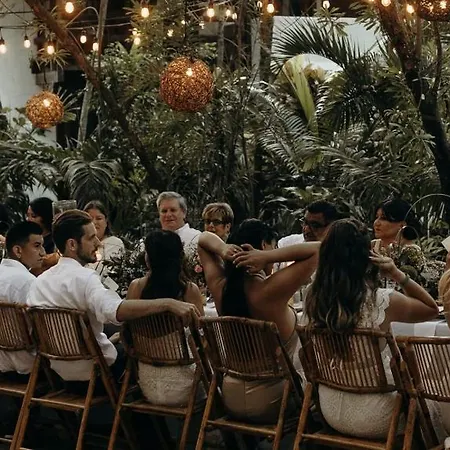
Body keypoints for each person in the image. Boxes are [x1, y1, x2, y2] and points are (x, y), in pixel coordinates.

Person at [27, 210, 200, 388]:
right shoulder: (85, 278)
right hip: (97, 376)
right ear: (72, 244)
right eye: (91, 238)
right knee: (136, 348)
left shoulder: (39, 283)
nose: (98, 243)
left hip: (57, 376)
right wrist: (168, 303)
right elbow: (115, 310)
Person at [302, 218, 438, 439]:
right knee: (430, 388)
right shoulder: (382, 300)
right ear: (367, 257)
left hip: (330, 409)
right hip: (378, 417)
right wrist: (396, 274)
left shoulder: (312, 297)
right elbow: (431, 309)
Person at [198, 219, 319, 423]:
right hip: (272, 401)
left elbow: (203, 240)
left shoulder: (220, 286)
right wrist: (266, 257)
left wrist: (223, 249)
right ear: (263, 245)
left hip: (230, 395)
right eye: (273, 247)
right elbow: (320, 249)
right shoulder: (270, 291)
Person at [127, 229, 204, 406]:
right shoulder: (188, 290)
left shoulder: (135, 287)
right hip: (186, 387)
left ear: (148, 259)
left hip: (148, 384)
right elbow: (200, 336)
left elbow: (128, 327)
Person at [0, 222, 45, 376]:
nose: (43, 253)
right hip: (30, 367)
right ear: (18, 250)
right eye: (37, 246)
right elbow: (42, 331)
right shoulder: (27, 281)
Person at [84, 200, 125, 279]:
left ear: (106, 221)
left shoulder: (115, 243)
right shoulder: (78, 246)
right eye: (89, 219)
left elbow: (104, 273)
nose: (94, 222)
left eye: (99, 218)